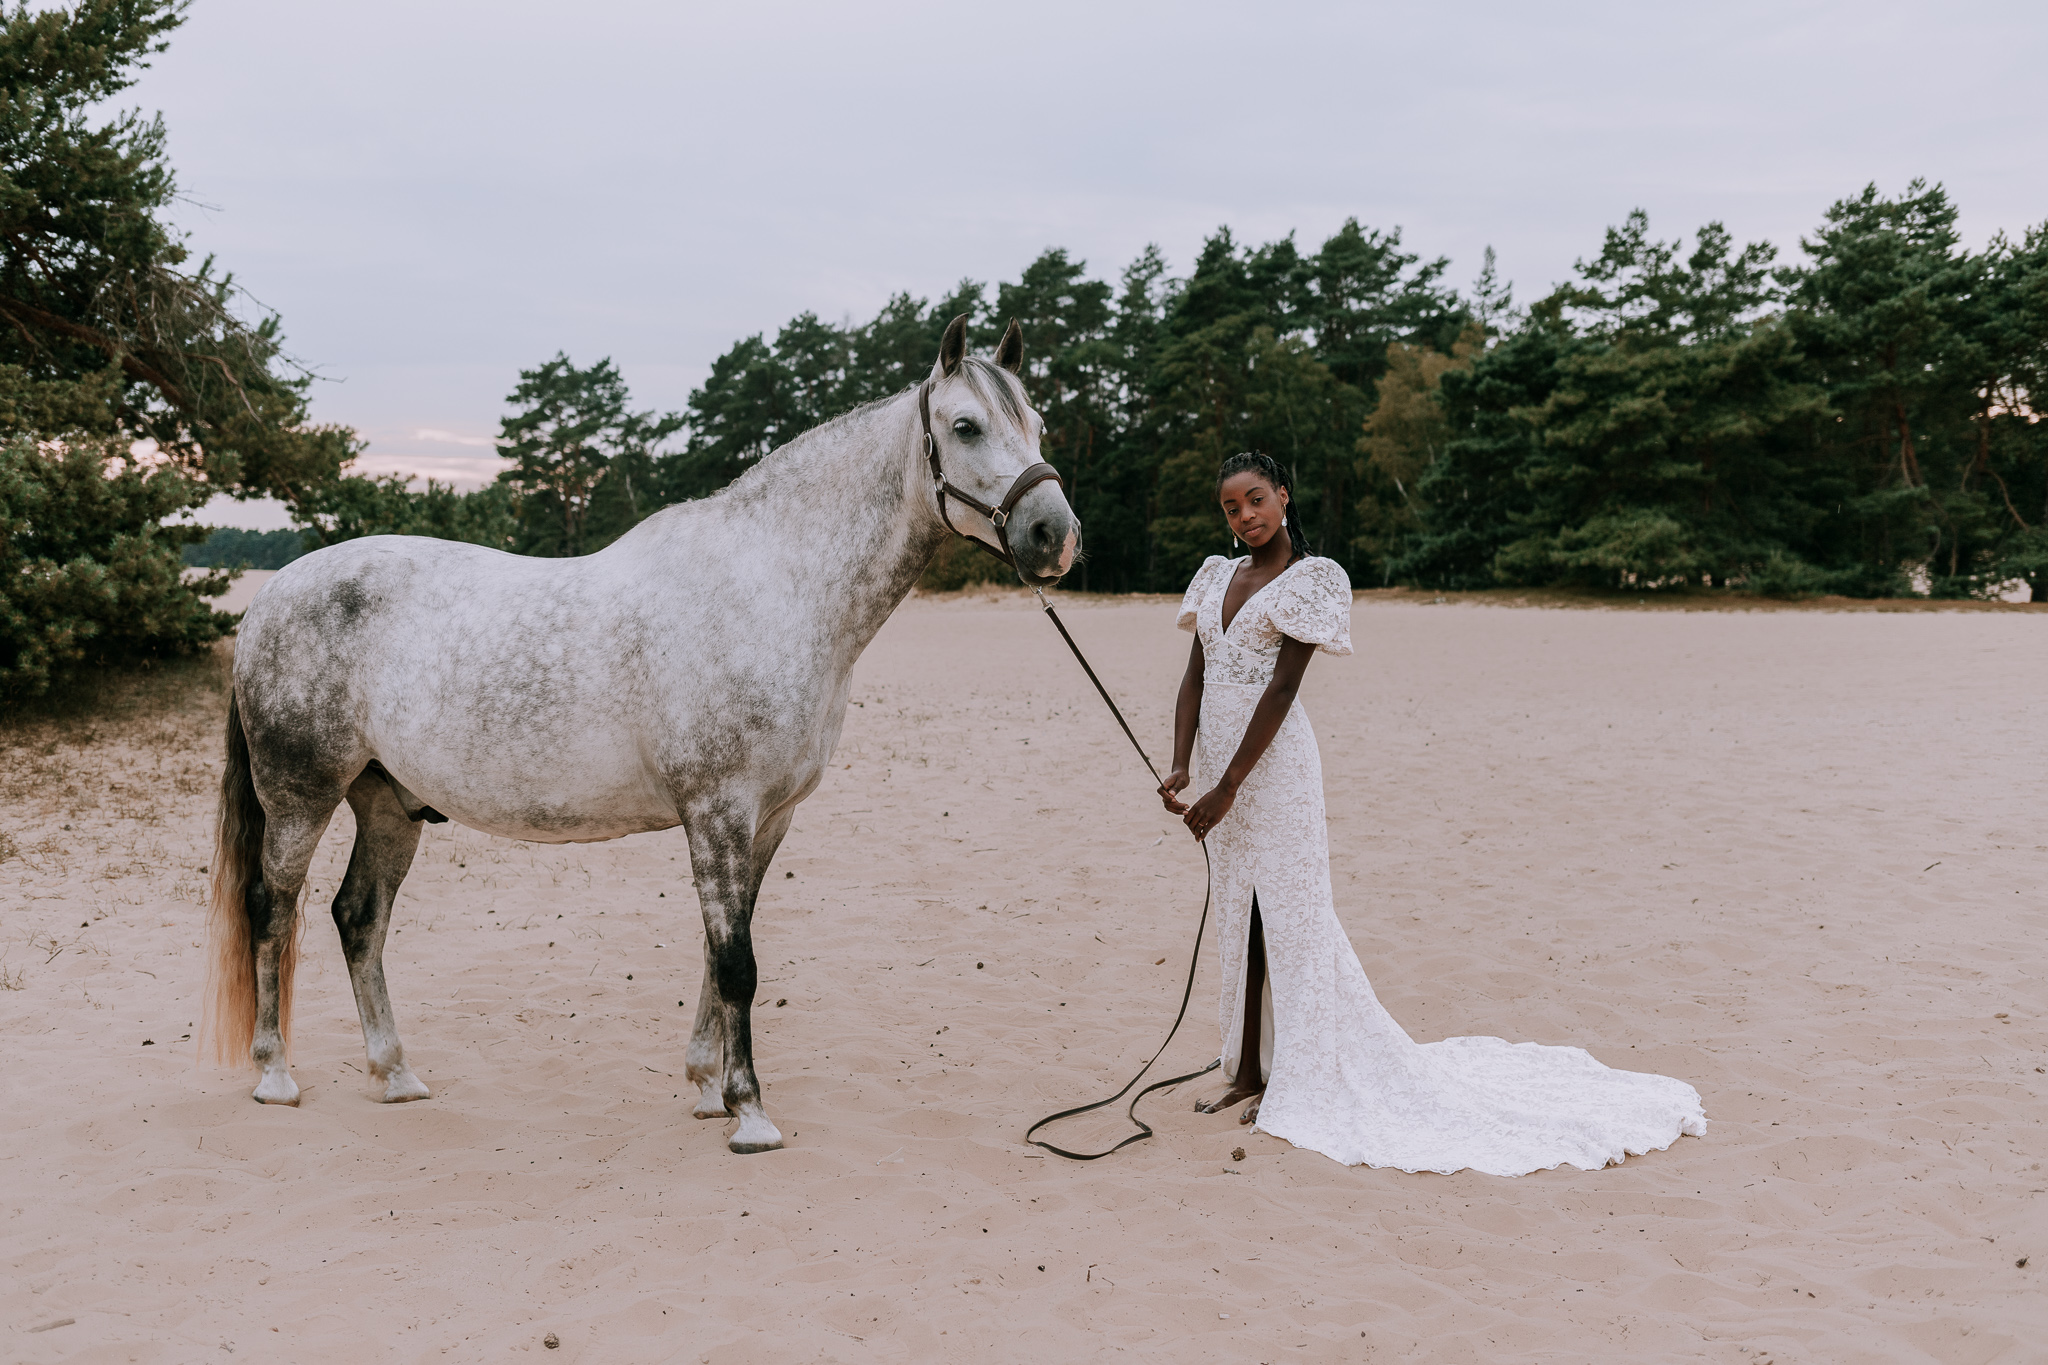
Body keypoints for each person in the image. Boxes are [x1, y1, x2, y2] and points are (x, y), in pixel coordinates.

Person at [1157, 452, 1706, 1174]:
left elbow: (1284, 689)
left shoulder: (1312, 579)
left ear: (1284, 496)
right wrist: (1181, 763)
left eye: (1256, 498)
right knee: (1243, 916)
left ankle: (1299, 1074)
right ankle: (1249, 1069)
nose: (1245, 516)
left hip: (1273, 774)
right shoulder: (1215, 575)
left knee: (1292, 916)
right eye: (1231, 507)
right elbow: (1195, 674)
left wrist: (1229, 786)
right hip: (1218, 776)